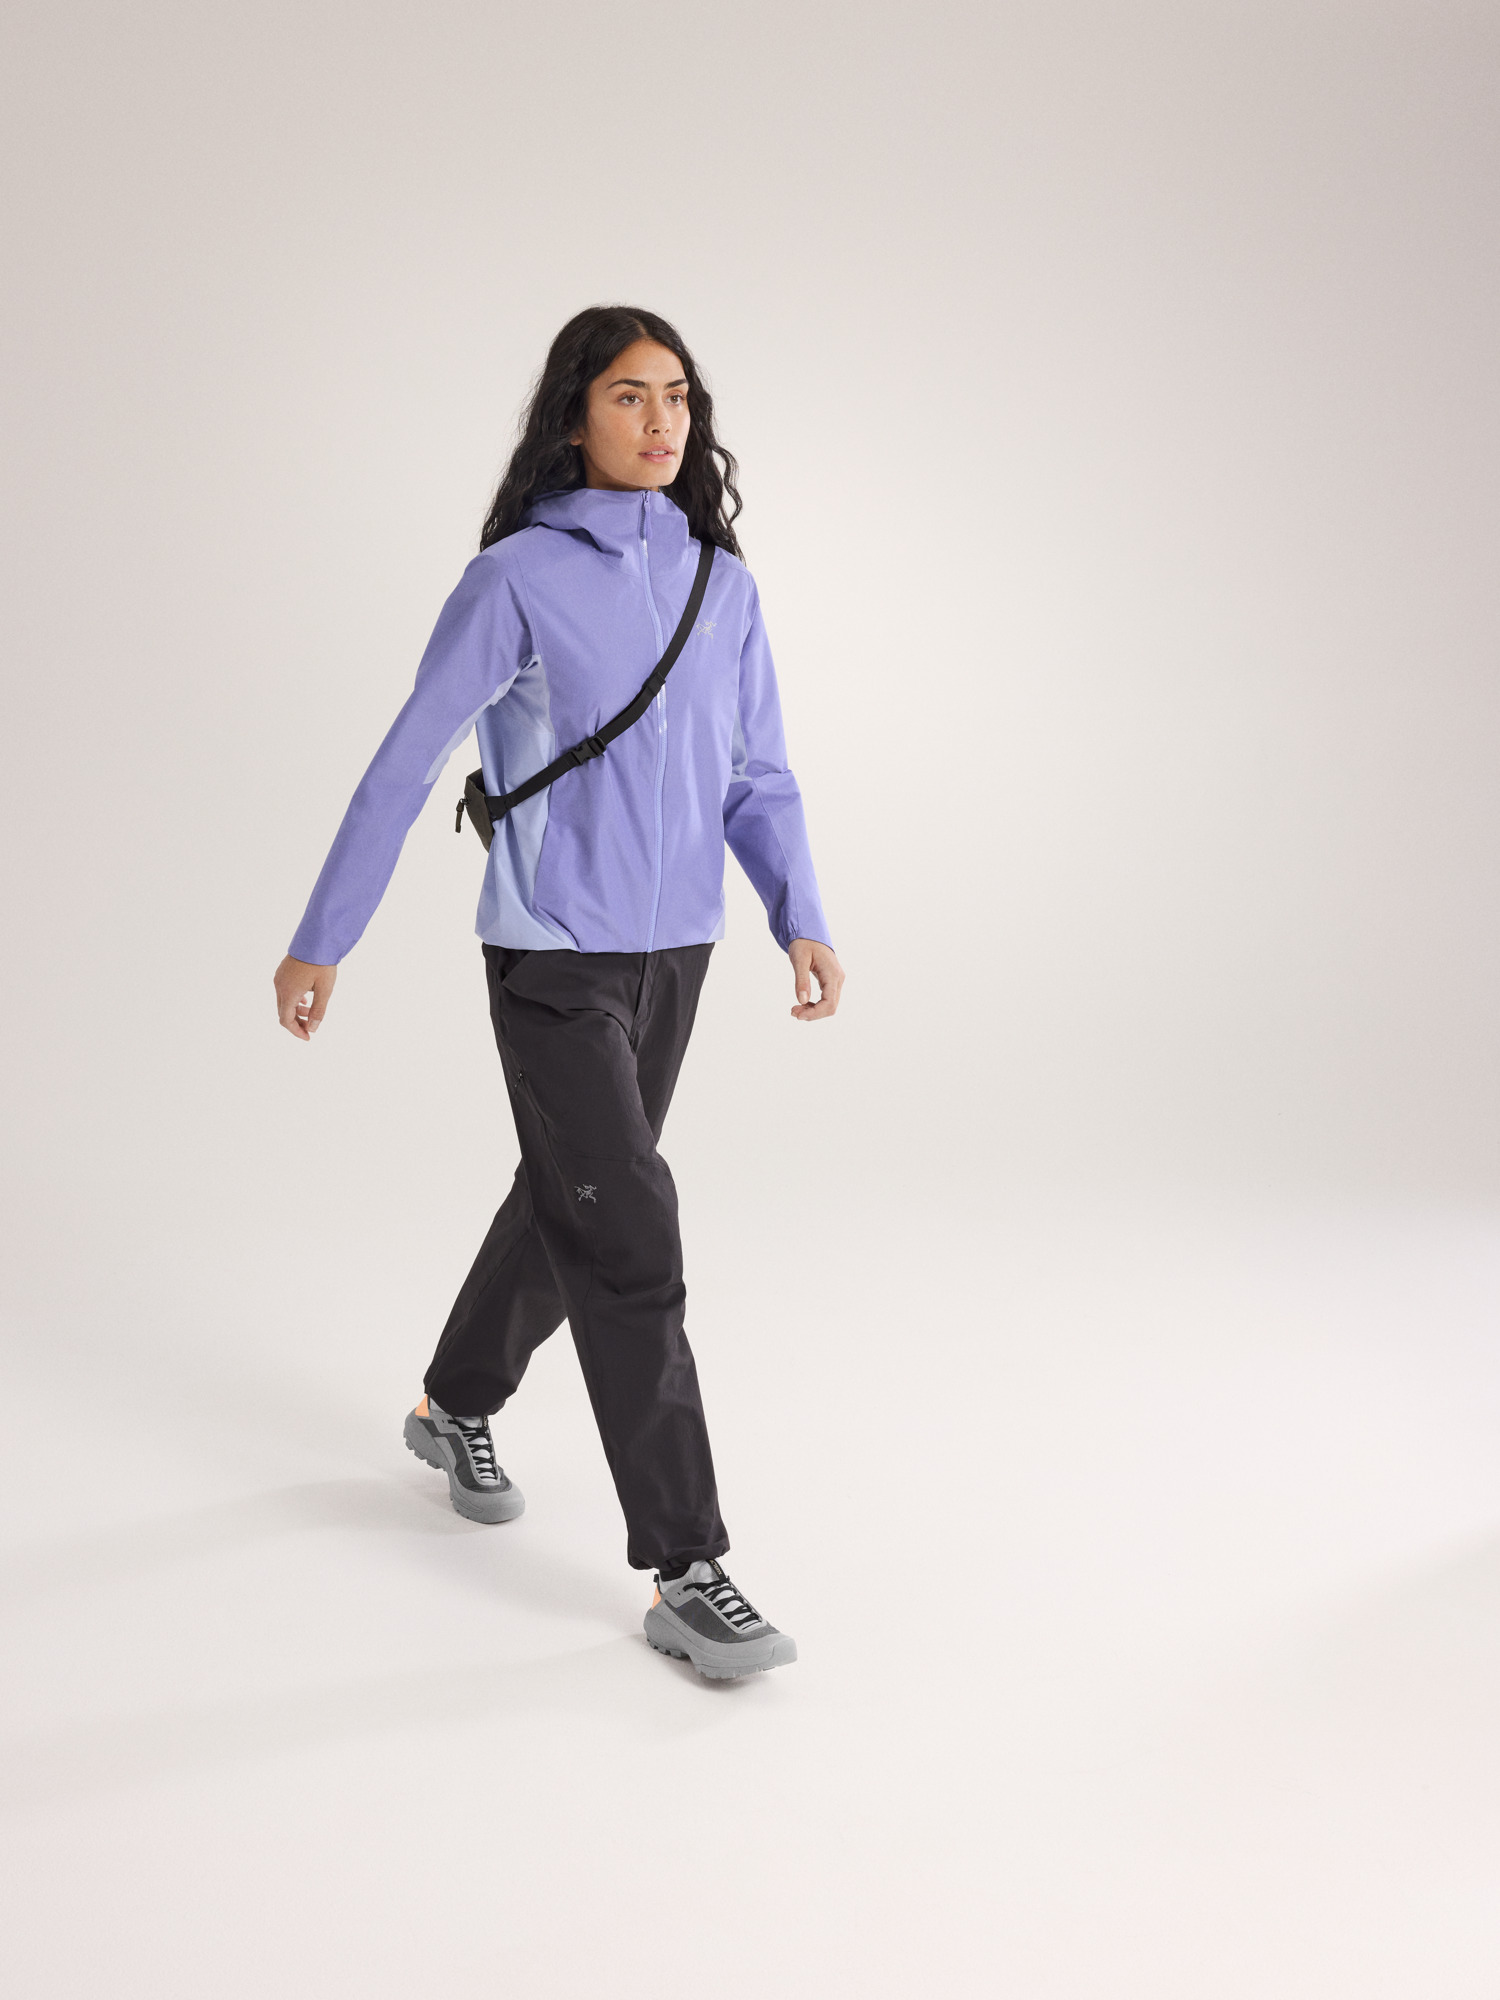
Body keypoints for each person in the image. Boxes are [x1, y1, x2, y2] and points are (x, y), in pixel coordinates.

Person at [273, 305, 843, 1680]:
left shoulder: (722, 584)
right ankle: (688, 1570)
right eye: (630, 395)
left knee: (575, 1189)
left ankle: (449, 1405)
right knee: (631, 1225)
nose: (661, 421)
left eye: (678, 397)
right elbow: (408, 760)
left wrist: (801, 915)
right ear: (575, 414)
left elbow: (757, 772)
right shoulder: (516, 577)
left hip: (680, 951)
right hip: (552, 955)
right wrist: (323, 936)